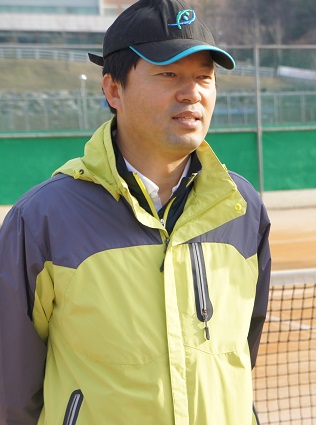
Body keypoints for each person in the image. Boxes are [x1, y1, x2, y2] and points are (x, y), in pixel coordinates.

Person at [0, 0, 271, 423]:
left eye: (204, 77)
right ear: (113, 90)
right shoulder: (41, 220)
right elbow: (11, 392)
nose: (192, 93)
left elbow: (241, 356)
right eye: (169, 74)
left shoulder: (243, 207)